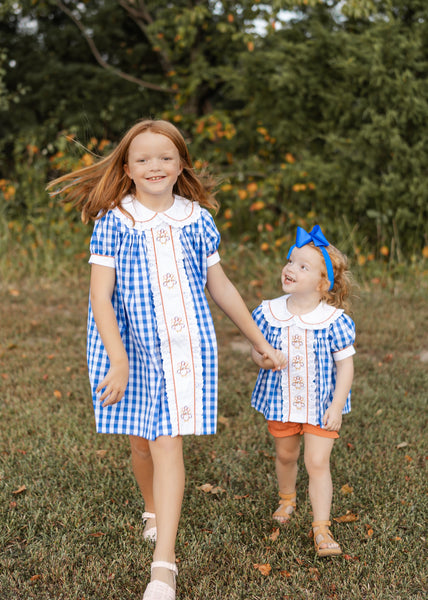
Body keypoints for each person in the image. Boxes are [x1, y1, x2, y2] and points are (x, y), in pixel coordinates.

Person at [48, 119, 285, 599]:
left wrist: (259, 339)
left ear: (181, 164)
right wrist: (118, 359)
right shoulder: (114, 220)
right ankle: (151, 507)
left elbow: (219, 285)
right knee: (140, 443)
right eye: (142, 159)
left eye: (165, 157)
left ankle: (164, 566)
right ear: (128, 169)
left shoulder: (197, 219)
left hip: (184, 348)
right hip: (128, 347)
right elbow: (100, 297)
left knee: (168, 442)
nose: (154, 165)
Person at [251, 225, 355, 558]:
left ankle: (322, 528)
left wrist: (337, 406)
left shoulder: (333, 320)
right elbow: (256, 350)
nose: (290, 269)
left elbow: (346, 367)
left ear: (323, 284)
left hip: (321, 405)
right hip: (281, 402)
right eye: (290, 262)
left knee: (317, 461)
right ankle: (287, 498)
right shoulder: (270, 313)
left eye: (302, 266)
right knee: (286, 455)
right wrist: (264, 359)